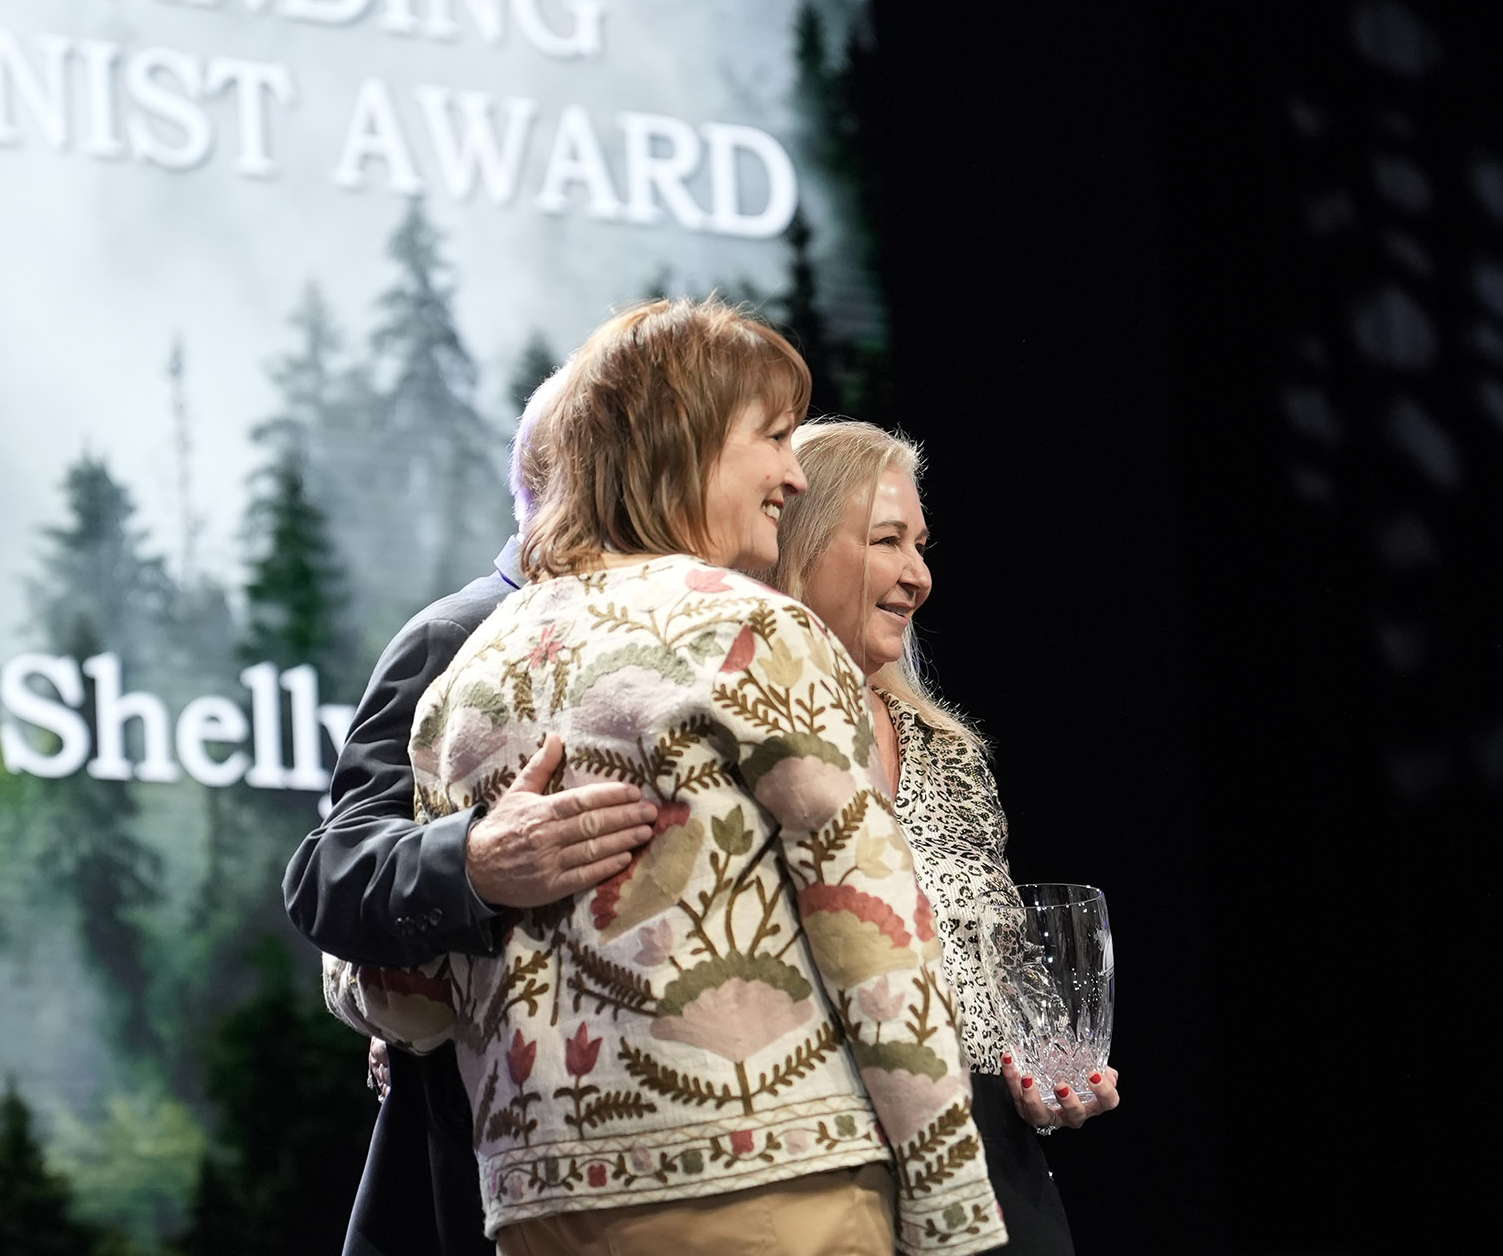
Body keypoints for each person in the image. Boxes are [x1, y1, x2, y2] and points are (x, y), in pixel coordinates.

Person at [322, 298, 1005, 1255]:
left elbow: (411, 1007)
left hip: (539, 1206)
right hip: (768, 1191)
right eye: (774, 437)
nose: (794, 472)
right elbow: (872, 933)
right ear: (690, 444)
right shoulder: (755, 629)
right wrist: (954, 1207)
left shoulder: (471, 676)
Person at [283, 367, 660, 1256]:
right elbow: (330, 871)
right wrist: (477, 861)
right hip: (474, 1165)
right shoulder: (459, 632)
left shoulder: (668, 636)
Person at [770, 418, 1118, 1256]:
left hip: (994, 1169)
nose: (918, 576)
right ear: (798, 545)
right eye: (887, 540)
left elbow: (1007, 961)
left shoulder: (948, 752)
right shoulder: (752, 741)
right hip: (833, 1167)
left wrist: (1049, 1072)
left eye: (920, 546)